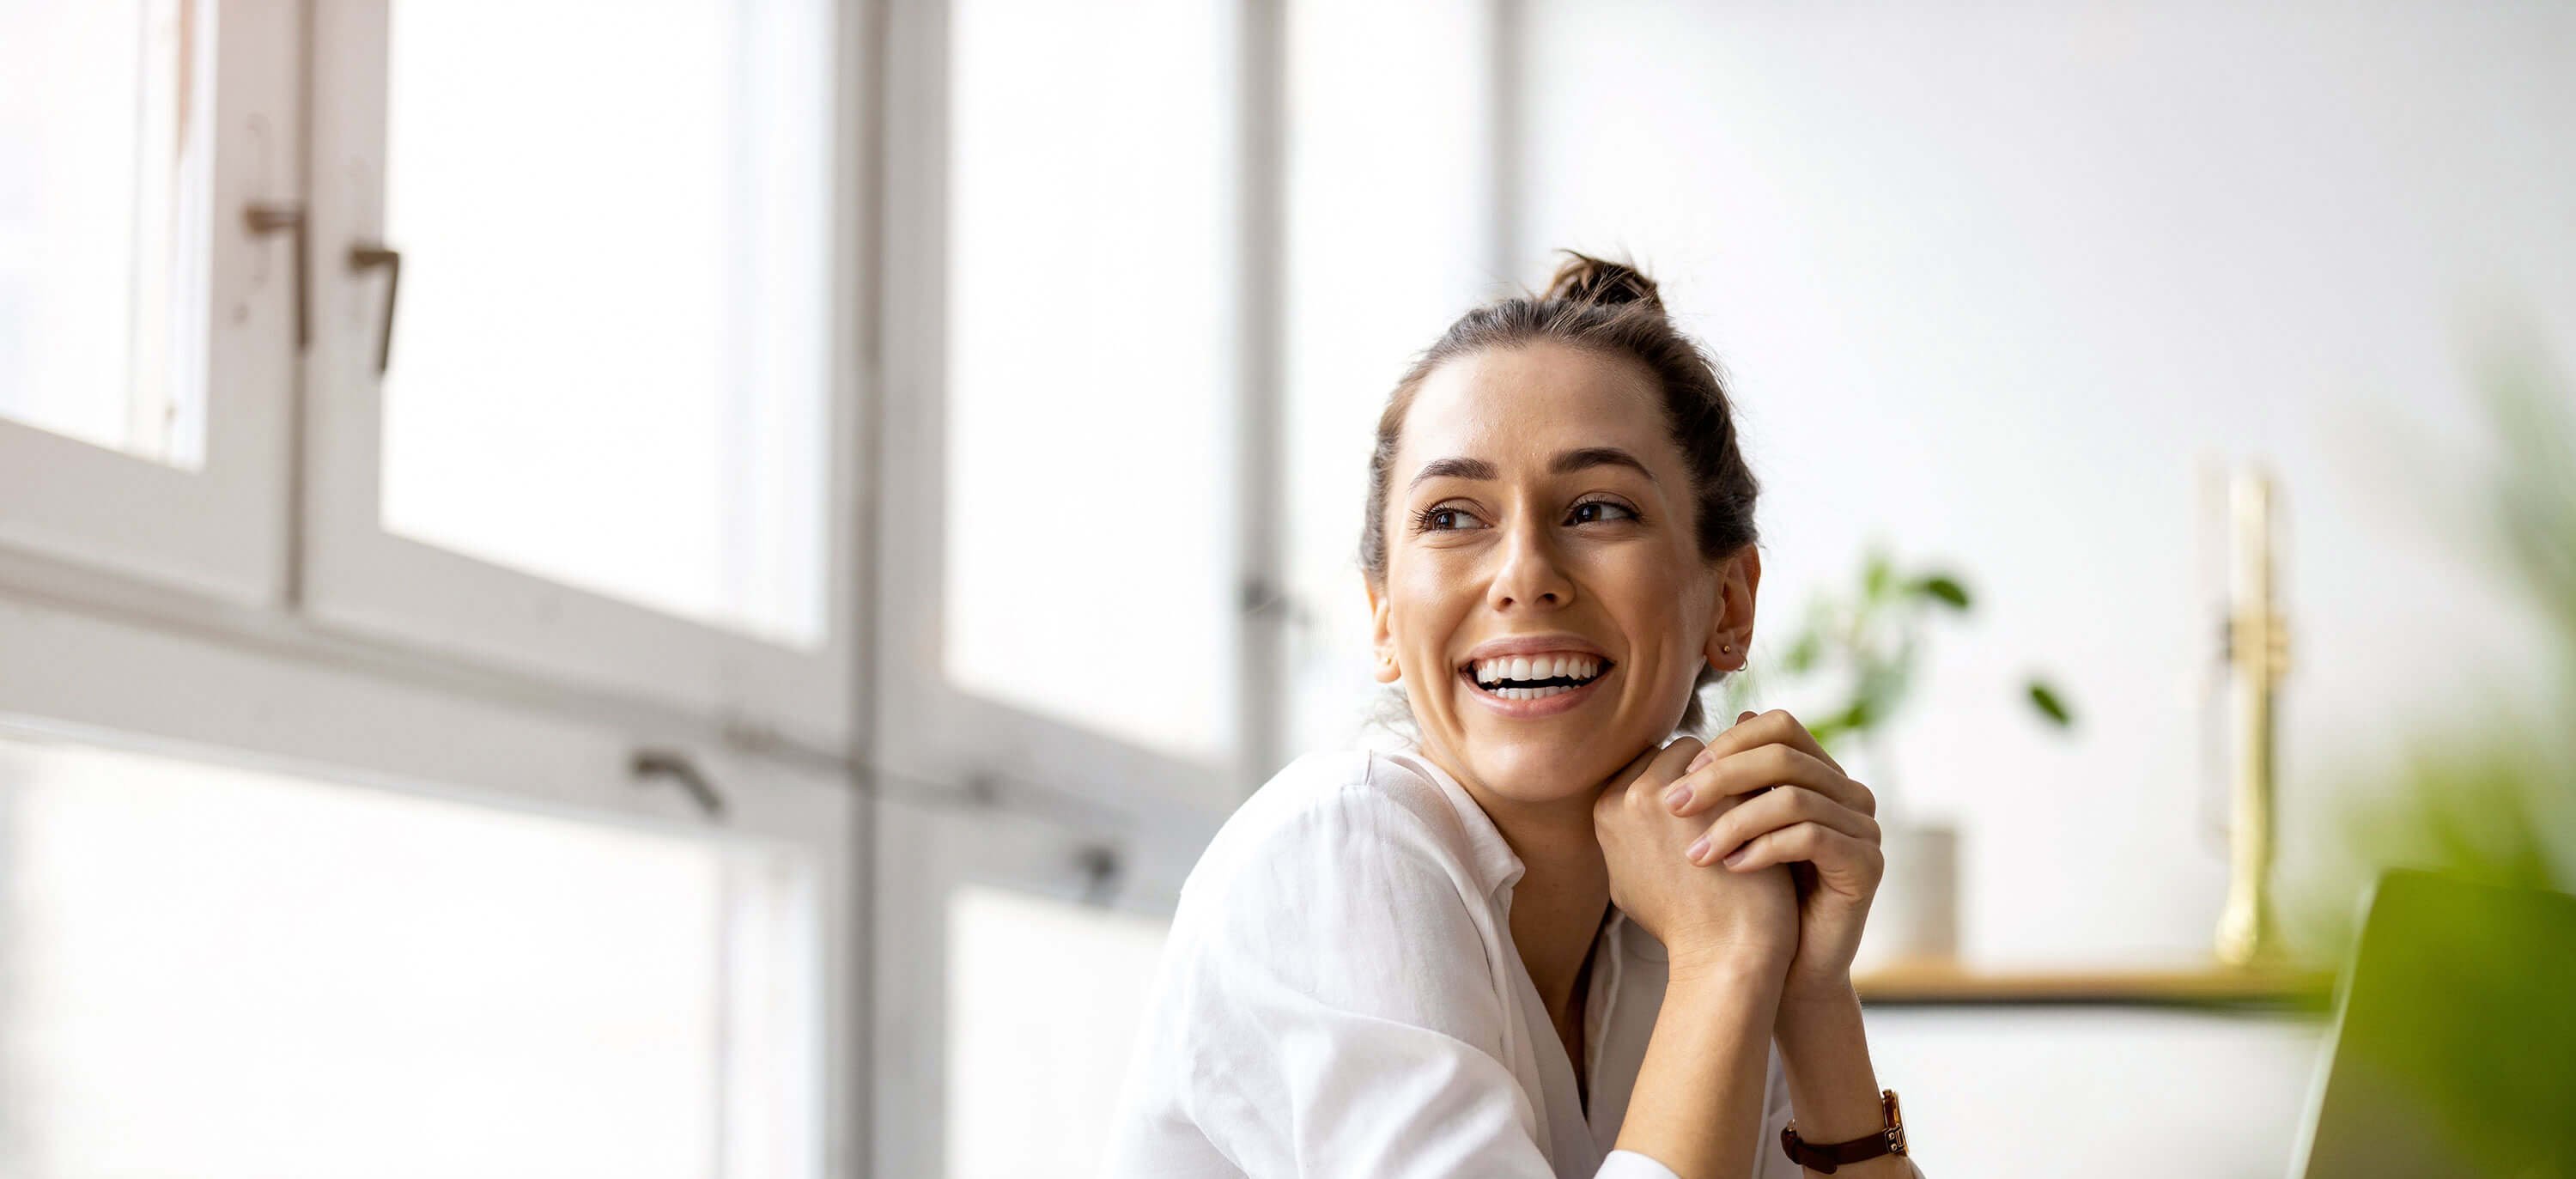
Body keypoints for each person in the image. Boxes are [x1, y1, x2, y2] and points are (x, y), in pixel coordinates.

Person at [1102, 254, 1924, 1178]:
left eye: (1598, 507)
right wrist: (1725, 964)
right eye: (1453, 517)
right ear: (1381, 614)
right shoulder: (1341, 846)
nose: (1524, 571)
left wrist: (1809, 998)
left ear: (1729, 602)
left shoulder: (1688, 900)